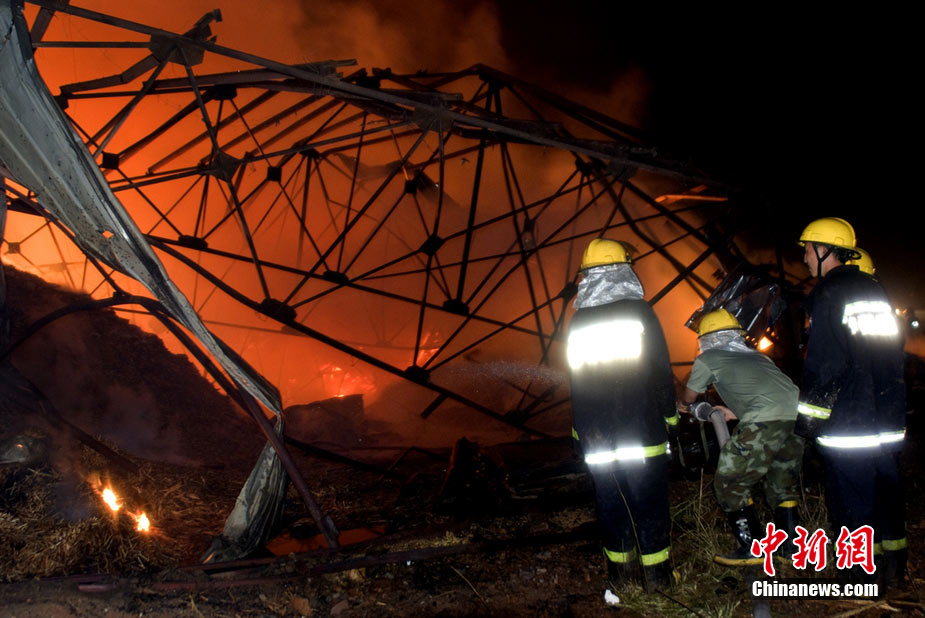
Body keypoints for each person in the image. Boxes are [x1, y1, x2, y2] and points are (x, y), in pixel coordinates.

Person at [796, 217, 907, 586]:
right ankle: (893, 568)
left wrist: (808, 424)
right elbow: (893, 353)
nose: (805, 259)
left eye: (809, 250)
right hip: (887, 417)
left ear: (826, 250)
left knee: (851, 502)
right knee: (886, 494)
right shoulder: (875, 290)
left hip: (849, 421)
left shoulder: (829, 293)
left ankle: (857, 577)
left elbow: (825, 366)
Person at [565, 238, 677, 592]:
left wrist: (578, 433)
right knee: (649, 506)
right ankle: (658, 582)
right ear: (623, 270)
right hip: (641, 432)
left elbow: (576, 383)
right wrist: (671, 418)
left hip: (597, 438)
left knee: (611, 507)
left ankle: (620, 581)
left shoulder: (578, 321)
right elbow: (660, 371)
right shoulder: (639, 312)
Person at [680, 309, 804, 566]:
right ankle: (792, 547)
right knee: (782, 482)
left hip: (764, 421)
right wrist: (734, 412)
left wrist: (682, 404)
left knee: (729, 481)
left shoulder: (709, 358)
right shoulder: (759, 358)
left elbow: (690, 396)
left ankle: (752, 546)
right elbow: (770, 394)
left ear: (706, 338)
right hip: (795, 420)